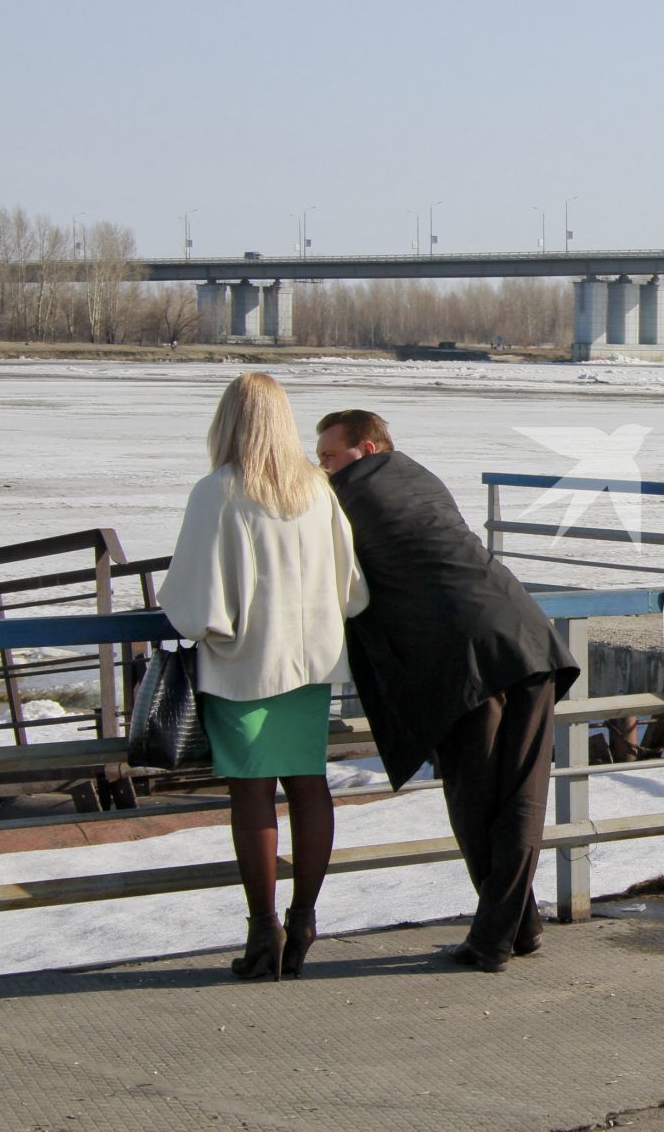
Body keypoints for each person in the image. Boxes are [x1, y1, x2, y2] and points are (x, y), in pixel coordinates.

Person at [315, 409, 580, 972]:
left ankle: (492, 939)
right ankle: (517, 926)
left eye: (330, 457)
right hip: (526, 635)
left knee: (474, 796)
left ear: (365, 449)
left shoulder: (347, 496)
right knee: (521, 794)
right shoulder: (419, 476)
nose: (323, 469)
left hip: (462, 659)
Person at [158, 373, 369, 980]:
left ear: (228, 422)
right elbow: (351, 588)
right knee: (309, 786)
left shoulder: (219, 491)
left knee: (251, 794)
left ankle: (263, 931)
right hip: (311, 663)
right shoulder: (317, 491)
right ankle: (305, 916)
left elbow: (194, 603)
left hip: (244, 663)